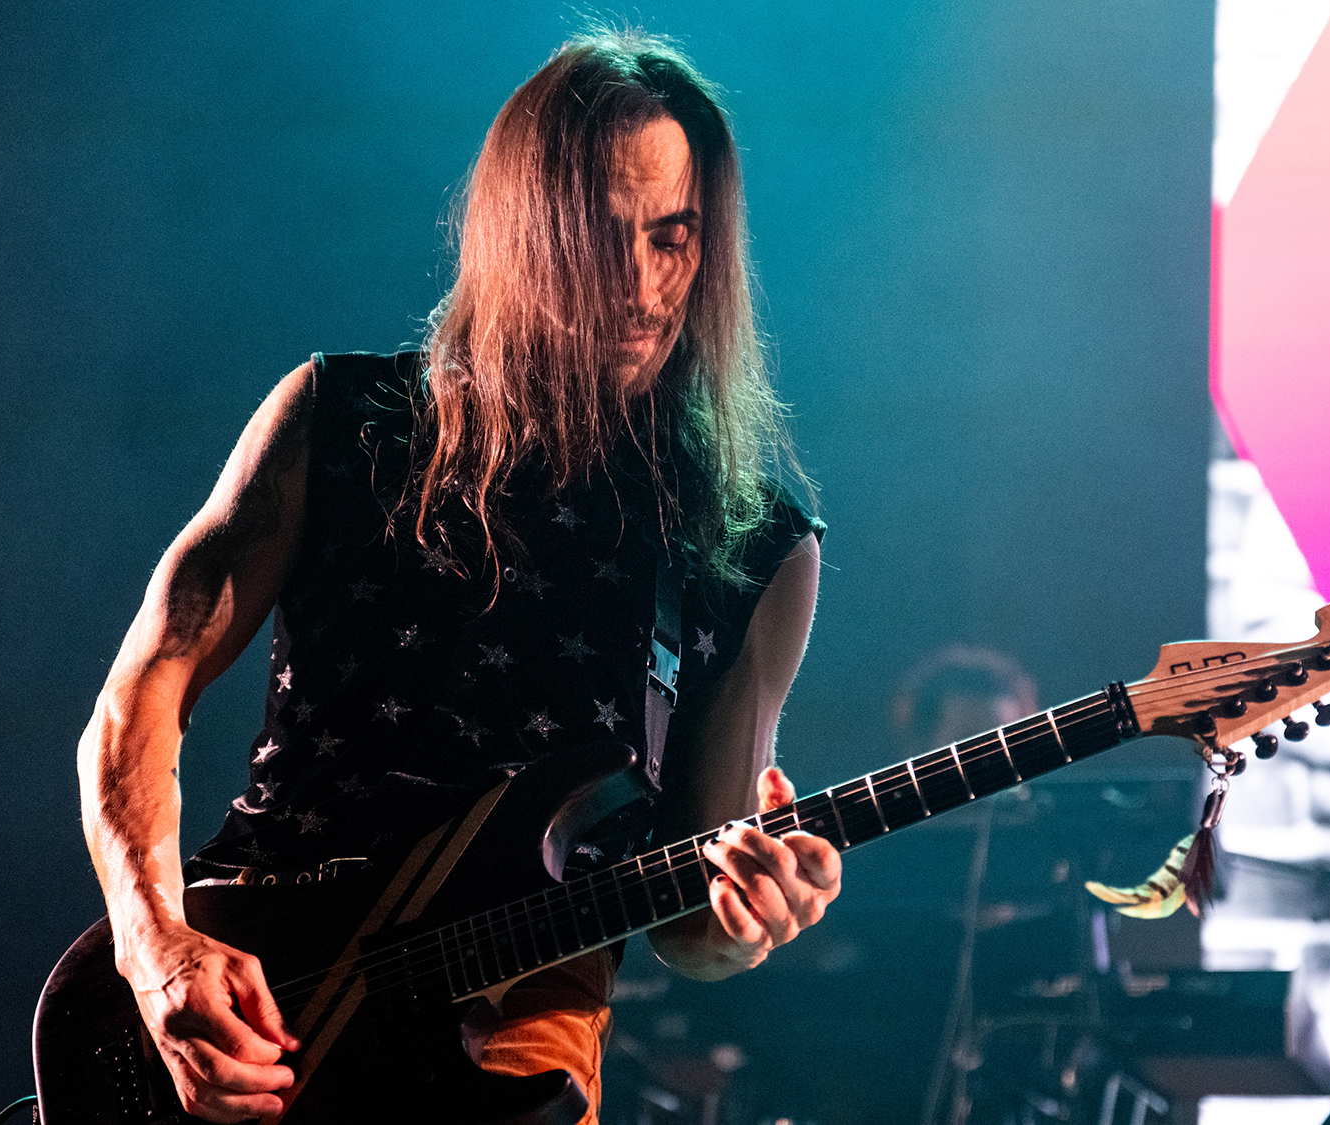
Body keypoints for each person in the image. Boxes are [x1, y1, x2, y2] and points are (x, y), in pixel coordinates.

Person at [76, 30, 840, 1124]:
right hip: (267, 1005)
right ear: (524, 237)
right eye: (597, 240)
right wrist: (153, 945)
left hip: (506, 1061)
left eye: (672, 239)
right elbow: (138, 695)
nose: (639, 285)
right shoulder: (337, 421)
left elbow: (687, 925)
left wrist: (753, 914)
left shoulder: (750, 541)